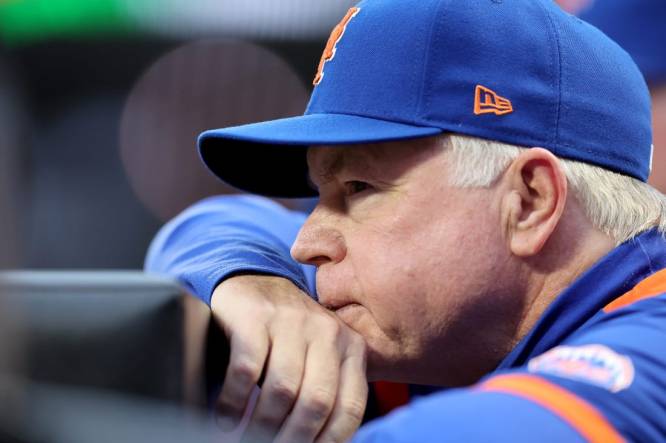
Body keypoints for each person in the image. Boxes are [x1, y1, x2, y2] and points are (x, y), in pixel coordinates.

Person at [146, 0, 666, 441]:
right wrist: (251, 279)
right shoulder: (431, 325)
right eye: (320, 193)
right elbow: (222, 220)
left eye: (358, 189)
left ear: (529, 201)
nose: (307, 244)